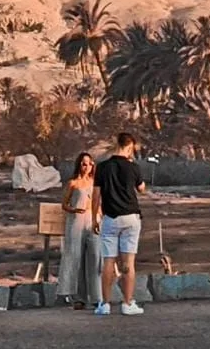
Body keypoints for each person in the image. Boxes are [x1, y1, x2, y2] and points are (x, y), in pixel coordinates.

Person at [92, 132, 146, 316]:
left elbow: (96, 195)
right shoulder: (133, 167)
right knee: (128, 262)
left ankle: (105, 303)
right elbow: (141, 188)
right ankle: (127, 302)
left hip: (111, 216)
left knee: (108, 260)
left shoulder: (102, 167)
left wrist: (94, 217)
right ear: (130, 147)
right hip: (131, 215)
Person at [56, 152, 101, 310]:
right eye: (83, 163)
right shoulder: (73, 183)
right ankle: (79, 297)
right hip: (76, 221)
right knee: (76, 258)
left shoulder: (96, 183)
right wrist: (74, 209)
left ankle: (97, 296)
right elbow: (64, 204)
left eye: (89, 164)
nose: (86, 167)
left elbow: (100, 202)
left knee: (95, 257)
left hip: (93, 220)